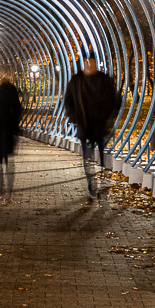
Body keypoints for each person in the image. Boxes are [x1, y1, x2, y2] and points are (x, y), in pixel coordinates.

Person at [63, 50, 120, 200]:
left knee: (101, 157)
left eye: (93, 62)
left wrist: (107, 116)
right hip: (84, 125)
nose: (91, 64)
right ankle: (91, 185)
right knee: (87, 157)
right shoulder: (76, 80)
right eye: (88, 61)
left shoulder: (104, 79)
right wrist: (74, 118)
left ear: (96, 63)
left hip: (99, 125)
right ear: (85, 62)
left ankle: (101, 184)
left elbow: (114, 99)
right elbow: (68, 100)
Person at [0, 66, 23, 204]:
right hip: (9, 129)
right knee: (8, 161)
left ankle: (1, 191)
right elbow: (18, 109)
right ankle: (8, 193)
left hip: (0, 130)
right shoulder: (12, 90)